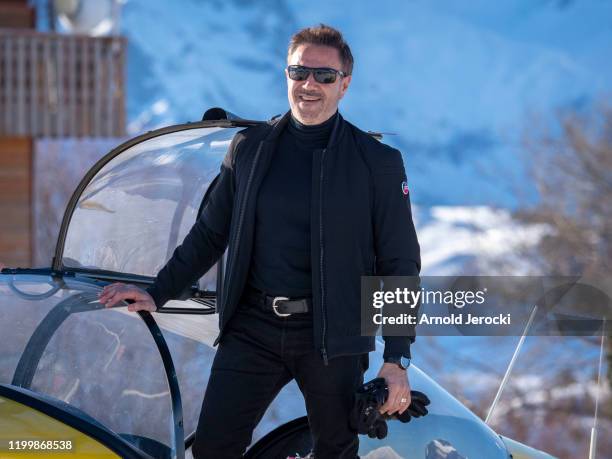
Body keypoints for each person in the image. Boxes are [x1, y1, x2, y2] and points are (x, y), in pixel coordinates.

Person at [98, 24, 420, 459]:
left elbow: (399, 262)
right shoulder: (249, 147)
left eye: (324, 76)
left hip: (332, 335)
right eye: (298, 72)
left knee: (335, 449)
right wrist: (158, 291)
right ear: (286, 75)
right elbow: (210, 234)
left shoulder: (376, 163)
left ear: (344, 85)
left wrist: (396, 359)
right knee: (213, 448)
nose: (309, 84)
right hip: (253, 329)